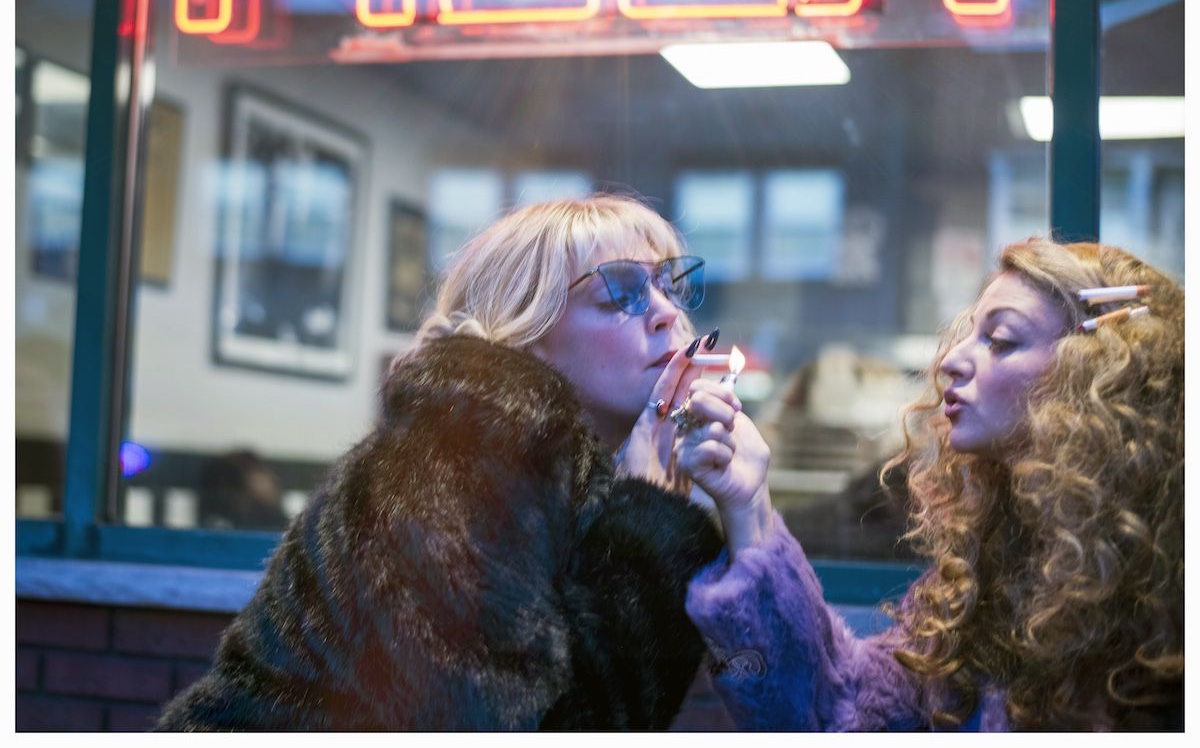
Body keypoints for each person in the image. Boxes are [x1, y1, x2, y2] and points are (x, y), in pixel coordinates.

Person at [157, 193, 728, 731]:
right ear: (528, 336)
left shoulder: (595, 471)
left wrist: (719, 502)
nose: (665, 314)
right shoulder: (452, 456)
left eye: (669, 286)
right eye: (621, 294)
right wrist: (651, 531)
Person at [674, 238, 1183, 731]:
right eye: (970, 334)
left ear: (1096, 375)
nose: (950, 362)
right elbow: (846, 710)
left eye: (1001, 340)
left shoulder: (1172, 609)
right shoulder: (993, 568)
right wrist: (749, 504)